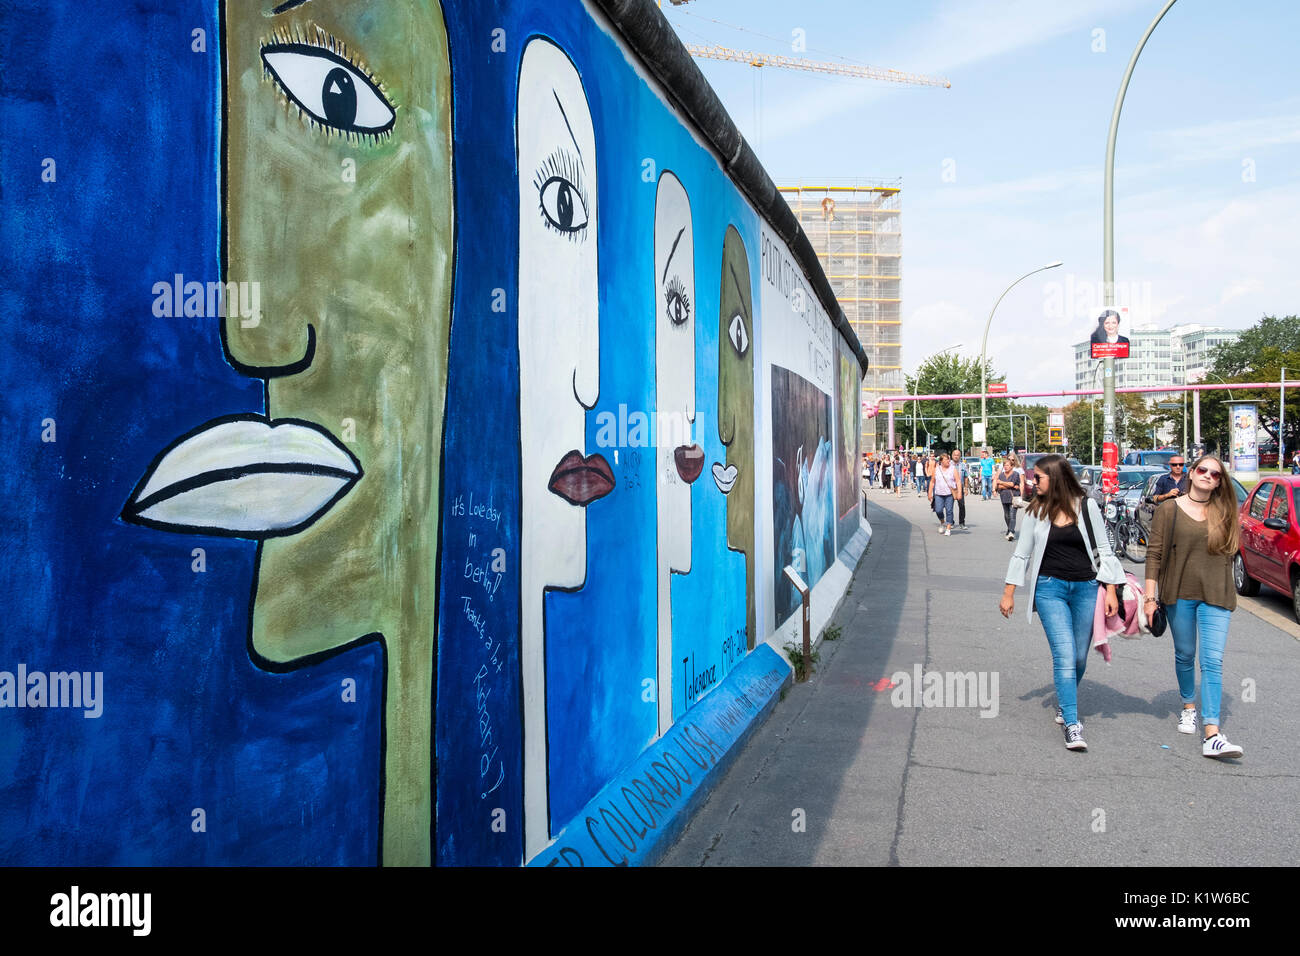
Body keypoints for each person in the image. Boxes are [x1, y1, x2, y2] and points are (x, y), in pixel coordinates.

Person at [1000, 455, 1124, 751]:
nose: (1032, 482)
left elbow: (1104, 550)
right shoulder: (1036, 510)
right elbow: (1022, 553)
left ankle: (1065, 699)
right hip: (1049, 589)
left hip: (1086, 588)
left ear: (1054, 478)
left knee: (1079, 657)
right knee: (1065, 655)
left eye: (1038, 477)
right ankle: (1071, 722)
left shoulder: (1087, 506)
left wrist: (1109, 591)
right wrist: (1009, 592)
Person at [1144, 454, 1244, 759]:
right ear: (1191, 472)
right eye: (1203, 470)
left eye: (1215, 474)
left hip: (1217, 593)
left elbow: (1231, 551)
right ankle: (1189, 705)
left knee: (1212, 661)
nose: (1208, 476)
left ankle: (1212, 733)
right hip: (1179, 592)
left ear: (1219, 482)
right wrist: (1149, 598)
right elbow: (1154, 555)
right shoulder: (1168, 509)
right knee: (1185, 654)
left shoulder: (1225, 510)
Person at [929, 452, 961, 536]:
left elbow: (958, 481)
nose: (948, 461)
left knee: (949, 510)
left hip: (949, 494)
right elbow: (932, 482)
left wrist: (959, 492)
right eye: (946, 459)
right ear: (941, 461)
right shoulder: (936, 469)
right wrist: (929, 493)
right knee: (938, 510)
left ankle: (948, 528)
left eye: (949, 459)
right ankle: (942, 522)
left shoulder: (953, 469)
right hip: (938, 493)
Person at [993, 455, 1023, 540]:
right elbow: (999, 487)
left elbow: (1012, 484)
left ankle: (1011, 532)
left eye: (1007, 465)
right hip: (1004, 497)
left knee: (1012, 515)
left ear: (1012, 466)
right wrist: (1006, 485)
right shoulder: (1001, 475)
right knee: (1006, 515)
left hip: (1013, 497)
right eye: (1004, 466)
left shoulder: (1016, 474)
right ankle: (1009, 528)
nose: (1005, 467)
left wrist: (1003, 483)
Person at [952, 449, 969, 529]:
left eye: (958, 455)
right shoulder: (949, 464)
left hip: (960, 488)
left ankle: (962, 523)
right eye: (955, 455)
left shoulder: (963, 465)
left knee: (962, 505)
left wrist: (966, 488)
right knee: (949, 506)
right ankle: (950, 522)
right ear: (952, 456)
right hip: (951, 488)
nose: (956, 456)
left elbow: (966, 477)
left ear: (960, 456)